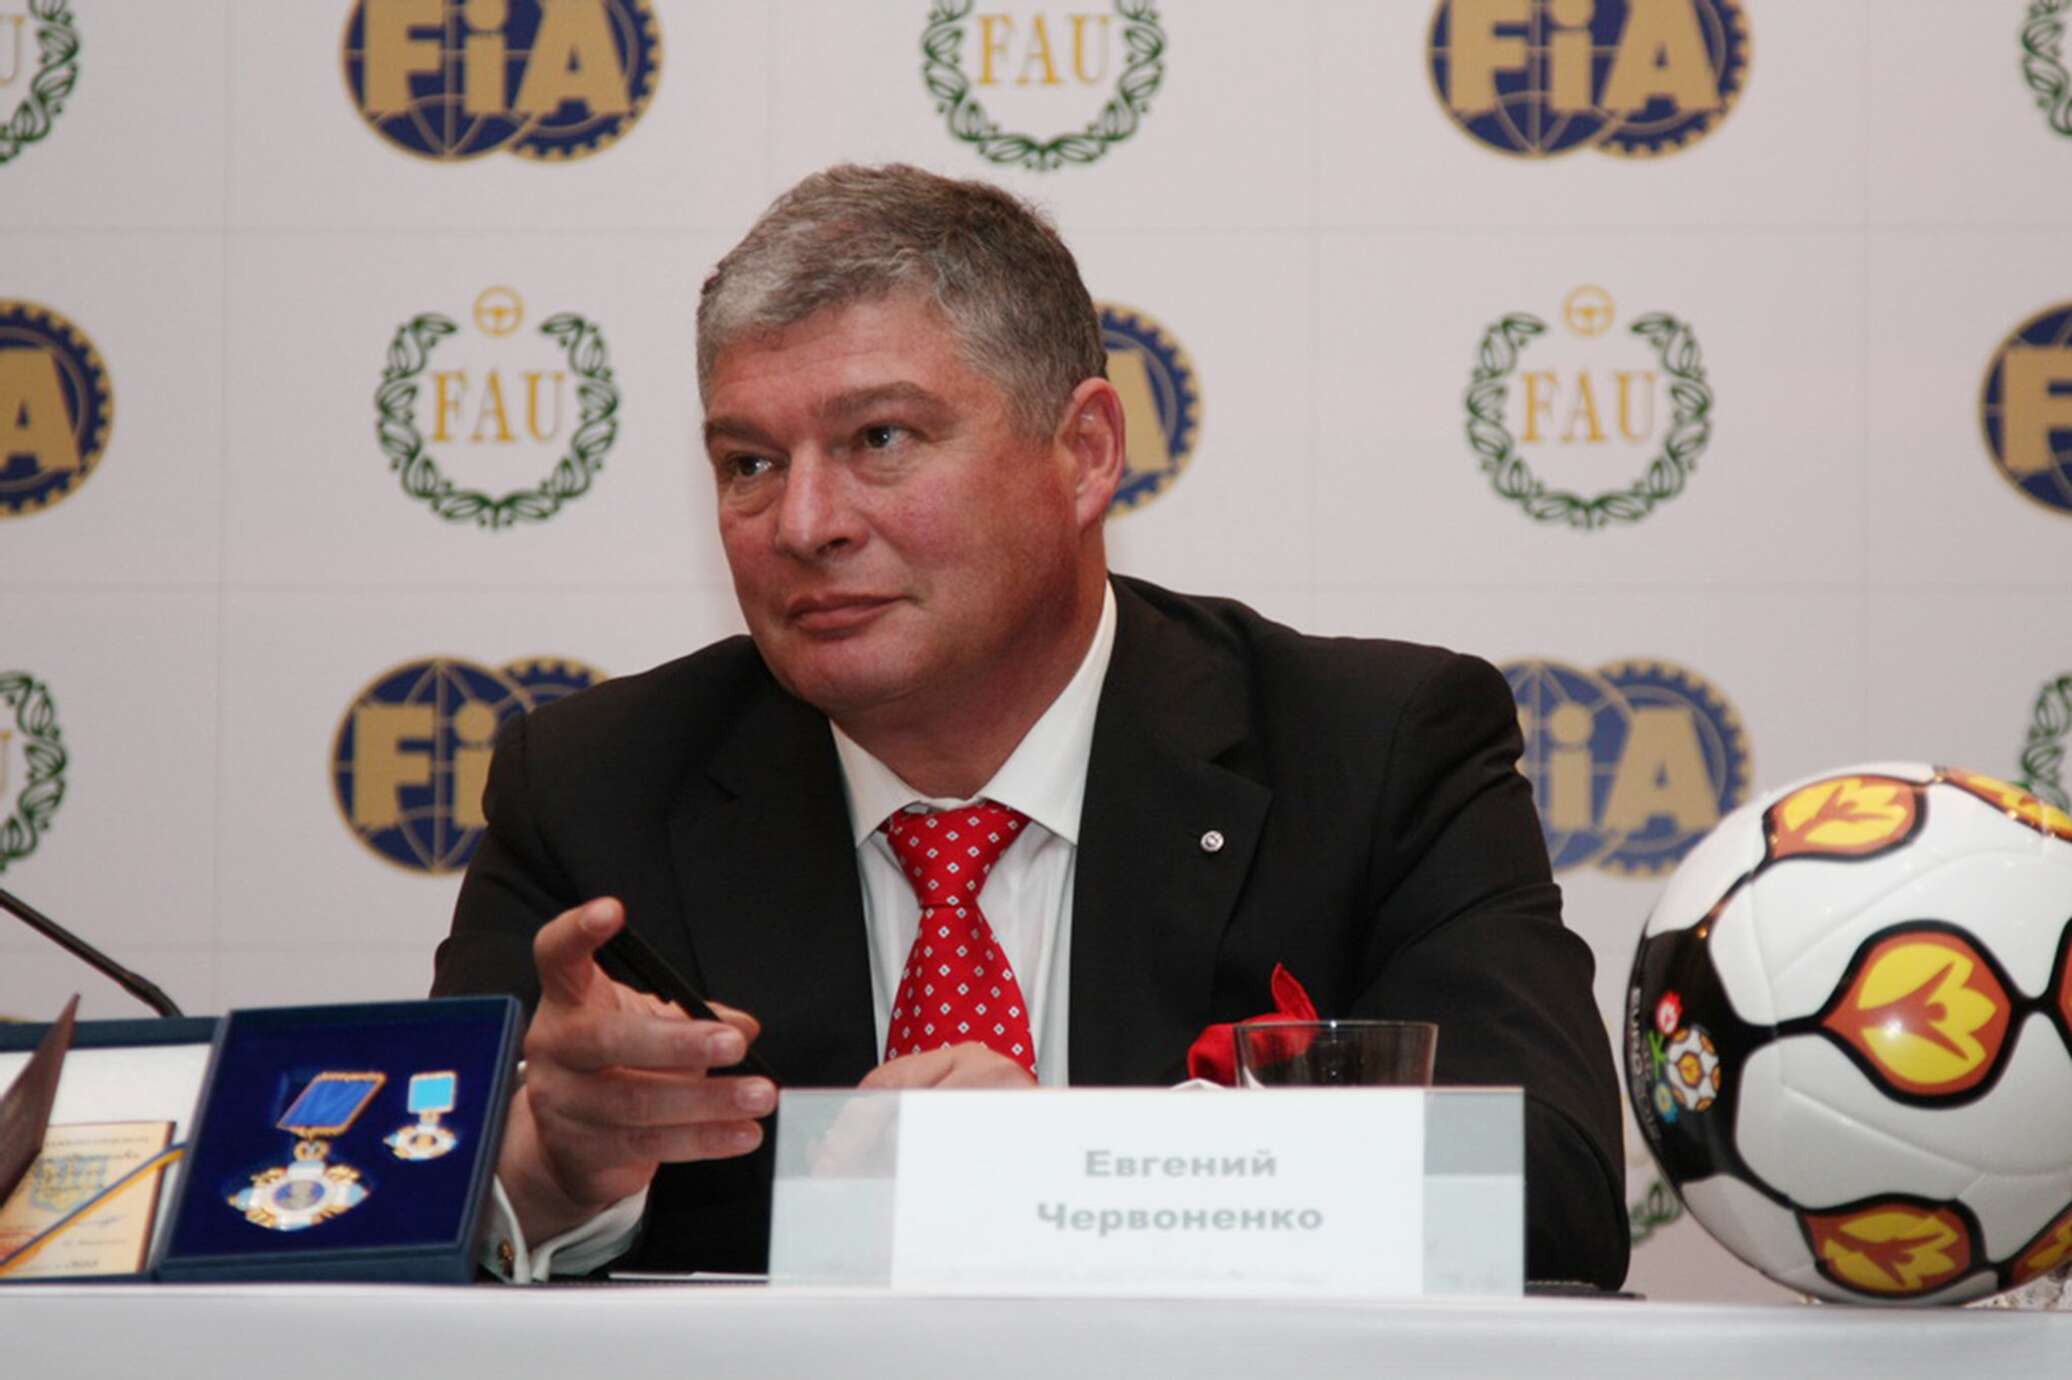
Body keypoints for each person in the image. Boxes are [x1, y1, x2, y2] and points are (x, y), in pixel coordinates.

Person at [432, 163, 1629, 1288]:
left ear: (1084, 454)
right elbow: (388, 1208)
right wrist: (549, 1173)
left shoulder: (1371, 751)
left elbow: (1551, 1196)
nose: (802, 523)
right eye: (748, 463)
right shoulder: (593, 789)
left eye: (879, 440)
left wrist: (1075, 1170)